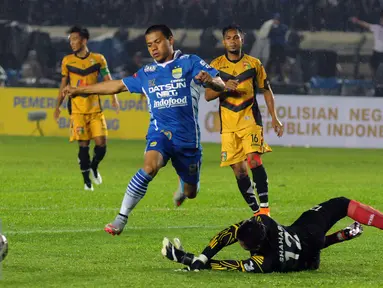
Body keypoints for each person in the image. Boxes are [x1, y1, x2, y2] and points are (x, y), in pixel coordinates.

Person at [63, 24, 225, 236]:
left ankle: (183, 185)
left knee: (190, 192)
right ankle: (121, 218)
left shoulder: (190, 62)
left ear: (170, 39)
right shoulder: (147, 73)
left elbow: (221, 84)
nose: (153, 48)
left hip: (187, 141)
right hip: (160, 133)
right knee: (149, 167)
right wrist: (79, 90)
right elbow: (117, 85)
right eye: (149, 45)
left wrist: (211, 81)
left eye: (157, 42)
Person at [175, 24, 283, 216]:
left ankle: (265, 208)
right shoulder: (215, 66)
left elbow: (266, 90)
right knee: (239, 171)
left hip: (250, 121)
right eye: (229, 38)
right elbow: (208, 95)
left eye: (236, 37)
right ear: (224, 42)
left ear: (243, 40)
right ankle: (256, 211)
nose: (233, 41)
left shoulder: (254, 64)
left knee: (254, 160)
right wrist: (224, 87)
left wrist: (275, 118)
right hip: (228, 126)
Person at [162, 196, 383, 273]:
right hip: (307, 229)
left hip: (309, 257)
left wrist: (195, 259)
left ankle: (343, 236)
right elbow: (231, 234)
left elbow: (231, 264)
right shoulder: (265, 222)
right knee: (343, 204)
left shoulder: (264, 262)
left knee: (307, 249)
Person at [54, 26, 120, 191]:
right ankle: (86, 182)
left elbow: (107, 79)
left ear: (84, 40)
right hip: (77, 110)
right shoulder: (67, 61)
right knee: (83, 145)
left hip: (95, 109)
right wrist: (58, 106)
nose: (72, 43)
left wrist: (114, 97)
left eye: (74, 39)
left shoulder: (98, 59)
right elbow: (64, 85)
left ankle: (94, 166)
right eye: (70, 40)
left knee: (101, 144)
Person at [350, 12, 383, 78]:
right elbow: (366, 24)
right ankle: (374, 80)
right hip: (376, 53)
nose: (381, 21)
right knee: (373, 66)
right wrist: (356, 21)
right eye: (381, 20)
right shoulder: (376, 28)